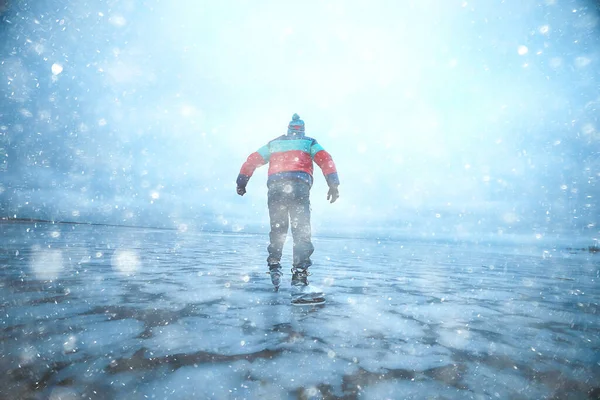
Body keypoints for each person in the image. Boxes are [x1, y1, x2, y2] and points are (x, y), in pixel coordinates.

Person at [236, 113, 339, 290]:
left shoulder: (274, 144)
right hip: (299, 186)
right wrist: (333, 184)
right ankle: (299, 274)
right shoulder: (309, 142)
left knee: (278, 229)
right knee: (301, 231)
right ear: (302, 129)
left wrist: (242, 182)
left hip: (276, 188)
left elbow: (252, 160)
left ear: (289, 129)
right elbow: (326, 160)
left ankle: (274, 265)